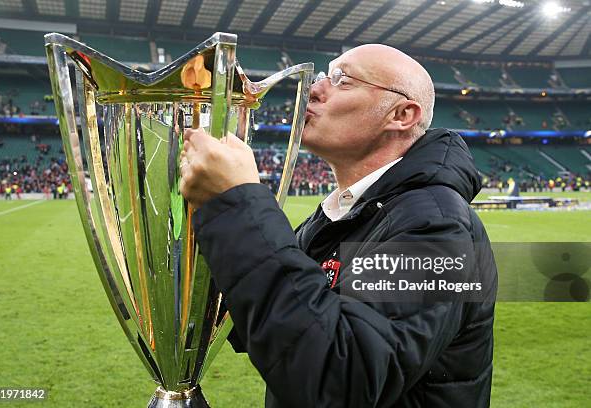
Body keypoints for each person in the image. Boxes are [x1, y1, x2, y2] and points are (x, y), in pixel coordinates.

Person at [179, 44, 497, 407]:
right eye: (322, 77)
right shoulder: (341, 214)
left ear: (402, 114)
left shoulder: (437, 224)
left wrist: (239, 205)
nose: (315, 89)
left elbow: (340, 376)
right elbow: (266, 322)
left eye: (342, 80)